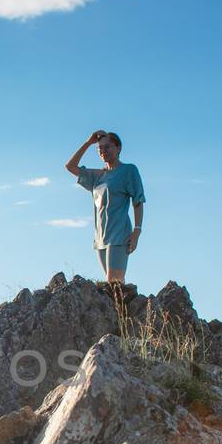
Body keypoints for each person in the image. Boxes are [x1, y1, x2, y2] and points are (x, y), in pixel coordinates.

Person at [65, 129, 145, 314]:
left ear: (118, 148)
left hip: (120, 235)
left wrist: (137, 231)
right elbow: (70, 166)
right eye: (100, 148)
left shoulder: (128, 171)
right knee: (112, 288)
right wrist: (88, 142)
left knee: (115, 283)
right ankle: (120, 322)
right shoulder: (97, 176)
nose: (103, 151)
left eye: (107, 146)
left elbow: (138, 201)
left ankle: (122, 326)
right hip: (100, 238)